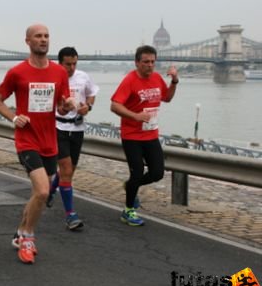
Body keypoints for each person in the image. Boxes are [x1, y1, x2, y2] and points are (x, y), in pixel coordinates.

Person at [0, 24, 75, 264]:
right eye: (38, 36)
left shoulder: (59, 72)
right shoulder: (17, 72)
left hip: (50, 141)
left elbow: (60, 105)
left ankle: (19, 232)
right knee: (43, 191)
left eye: (46, 36)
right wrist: (15, 118)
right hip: (27, 140)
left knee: (37, 195)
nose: (43, 40)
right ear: (27, 41)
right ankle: (28, 238)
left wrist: (67, 105)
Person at [110, 45, 179, 226]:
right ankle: (128, 210)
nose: (150, 65)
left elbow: (168, 98)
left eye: (152, 62)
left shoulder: (156, 78)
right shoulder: (130, 80)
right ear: (137, 62)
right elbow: (115, 105)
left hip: (150, 134)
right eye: (146, 62)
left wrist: (174, 82)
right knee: (137, 171)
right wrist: (136, 116)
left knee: (157, 173)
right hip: (131, 135)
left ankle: (131, 185)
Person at [46, 47, 99, 231]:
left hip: (77, 128)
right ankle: (70, 215)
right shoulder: (52, 77)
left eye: (75, 63)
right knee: (66, 169)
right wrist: (62, 109)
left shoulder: (83, 76)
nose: (72, 67)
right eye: (68, 64)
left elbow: (92, 93)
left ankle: (52, 190)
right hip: (58, 127)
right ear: (60, 63)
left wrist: (88, 107)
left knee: (68, 172)